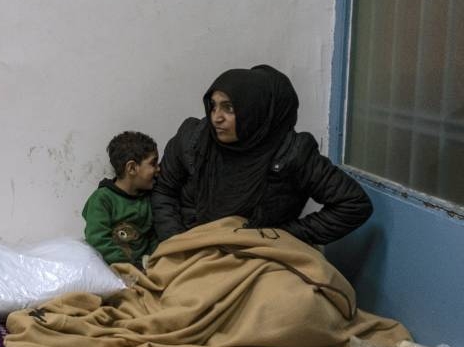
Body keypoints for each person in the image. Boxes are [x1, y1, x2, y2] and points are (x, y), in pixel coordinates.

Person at [152, 64, 372, 245]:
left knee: (294, 297)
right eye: (213, 106)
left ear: (254, 111)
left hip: (257, 255)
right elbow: (164, 189)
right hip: (193, 245)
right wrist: (176, 241)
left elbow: (353, 204)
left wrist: (279, 236)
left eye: (229, 108)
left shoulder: (292, 153)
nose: (216, 118)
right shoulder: (193, 140)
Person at [82, 131, 160, 266]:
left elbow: (153, 237)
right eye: (153, 163)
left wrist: (155, 261)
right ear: (132, 168)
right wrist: (129, 265)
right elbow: (98, 239)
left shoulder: (148, 199)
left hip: (146, 267)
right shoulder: (102, 200)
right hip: (114, 268)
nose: (158, 169)